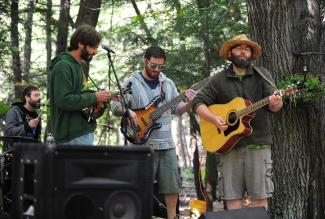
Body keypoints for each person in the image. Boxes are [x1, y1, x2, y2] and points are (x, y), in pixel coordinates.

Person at [192, 34, 283, 210]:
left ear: (251, 53)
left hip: (258, 145)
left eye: (247, 48)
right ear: (230, 52)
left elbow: (274, 105)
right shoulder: (218, 79)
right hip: (228, 148)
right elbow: (198, 103)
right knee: (232, 199)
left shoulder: (262, 75)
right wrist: (213, 119)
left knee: (260, 199)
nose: (243, 51)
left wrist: (276, 103)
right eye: (239, 47)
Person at [112, 46, 196, 219]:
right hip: (143, 145)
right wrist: (128, 112)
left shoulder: (168, 83)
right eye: (153, 66)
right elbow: (115, 107)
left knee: (172, 186)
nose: (157, 70)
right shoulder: (131, 83)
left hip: (167, 144)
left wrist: (188, 103)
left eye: (160, 66)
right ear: (145, 61)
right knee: (141, 185)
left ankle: (172, 217)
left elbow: (176, 109)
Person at [49, 24, 113, 145]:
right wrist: (95, 97)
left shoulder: (76, 66)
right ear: (80, 44)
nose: (95, 52)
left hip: (81, 132)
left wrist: (103, 98)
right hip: (72, 136)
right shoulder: (63, 66)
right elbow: (64, 100)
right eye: (93, 48)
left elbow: (79, 97)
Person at [3, 86, 41, 151]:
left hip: (31, 154)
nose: (39, 98)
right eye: (36, 95)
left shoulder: (36, 115)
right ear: (27, 97)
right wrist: (28, 126)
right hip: (14, 154)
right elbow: (9, 132)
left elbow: (36, 137)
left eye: (39, 95)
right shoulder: (14, 111)